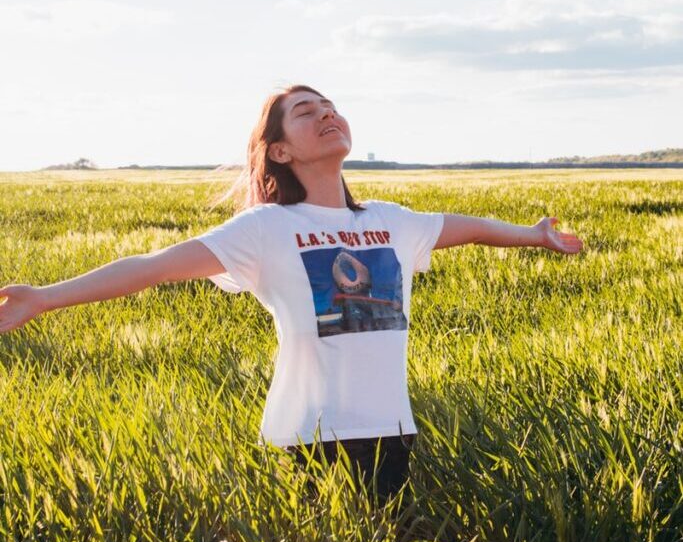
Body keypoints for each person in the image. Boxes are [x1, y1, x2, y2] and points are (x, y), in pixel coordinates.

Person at [0, 83, 584, 508]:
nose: (327, 114)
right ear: (279, 150)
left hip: (392, 432)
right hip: (308, 441)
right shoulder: (265, 229)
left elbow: (474, 228)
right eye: (306, 112)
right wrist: (45, 297)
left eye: (330, 107)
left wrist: (534, 236)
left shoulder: (392, 221)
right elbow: (154, 268)